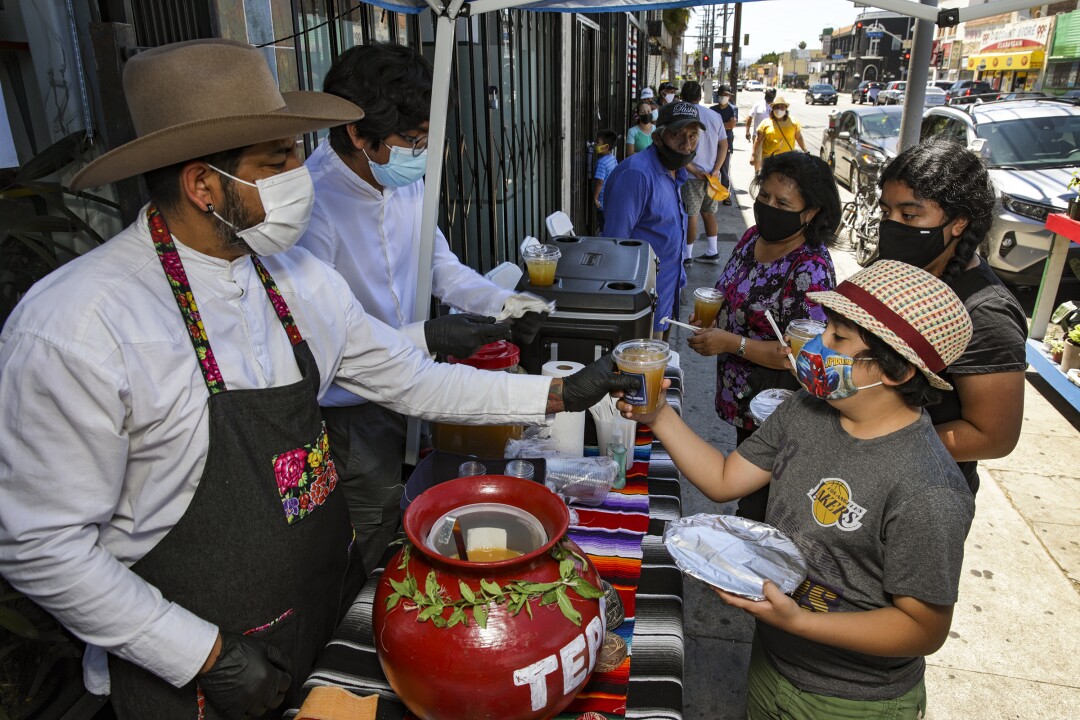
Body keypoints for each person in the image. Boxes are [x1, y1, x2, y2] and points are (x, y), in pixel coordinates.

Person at [0, 39, 636, 720]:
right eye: (277, 161)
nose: (301, 174)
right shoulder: (77, 326)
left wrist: (557, 393)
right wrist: (202, 655)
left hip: (321, 618)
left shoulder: (296, 279)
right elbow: (40, 545)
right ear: (203, 184)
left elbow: (408, 378)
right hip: (195, 672)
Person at [620, 260, 975, 720]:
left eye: (838, 338)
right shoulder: (805, 411)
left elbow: (923, 628)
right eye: (826, 328)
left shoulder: (927, 488)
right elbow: (726, 479)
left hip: (852, 701)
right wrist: (659, 417)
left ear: (897, 371)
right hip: (773, 661)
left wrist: (801, 621)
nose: (814, 344)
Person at [298, 44, 552, 573]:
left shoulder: (407, 180)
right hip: (348, 408)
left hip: (416, 379)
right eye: (411, 141)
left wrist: (503, 302)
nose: (422, 152)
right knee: (369, 522)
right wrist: (429, 336)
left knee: (421, 500)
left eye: (427, 138)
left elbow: (440, 265)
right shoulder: (312, 208)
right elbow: (325, 347)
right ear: (356, 134)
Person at [687, 152, 839, 520]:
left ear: (811, 212)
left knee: (761, 508)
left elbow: (801, 356)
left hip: (778, 411)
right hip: (744, 403)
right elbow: (732, 291)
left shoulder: (811, 270)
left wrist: (732, 342)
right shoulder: (753, 237)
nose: (769, 207)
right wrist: (712, 316)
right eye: (765, 196)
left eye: (783, 202)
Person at [876, 138, 1026, 495]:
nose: (892, 225)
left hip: (922, 491)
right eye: (886, 212)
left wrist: (881, 442)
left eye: (909, 215)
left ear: (959, 222)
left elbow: (994, 435)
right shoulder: (900, 271)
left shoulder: (986, 313)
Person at [604, 101, 704, 341]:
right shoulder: (636, 174)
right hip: (640, 307)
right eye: (677, 135)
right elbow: (614, 244)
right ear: (658, 138)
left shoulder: (675, 172)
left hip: (665, 296)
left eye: (693, 136)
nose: (686, 144)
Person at [677, 81, 728, 266]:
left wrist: (694, 170)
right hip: (712, 177)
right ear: (700, 96)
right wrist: (716, 169)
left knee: (692, 215)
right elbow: (724, 145)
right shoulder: (714, 116)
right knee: (709, 213)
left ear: (682, 96)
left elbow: (681, 149)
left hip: (691, 177)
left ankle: (687, 256)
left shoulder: (682, 115)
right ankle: (712, 252)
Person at [752, 95, 807, 174]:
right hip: (769, 159)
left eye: (782, 107)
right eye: (777, 107)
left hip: (788, 159)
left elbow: (798, 137)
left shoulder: (793, 122)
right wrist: (753, 155)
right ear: (773, 109)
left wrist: (805, 150)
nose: (779, 109)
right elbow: (758, 140)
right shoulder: (765, 123)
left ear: (786, 109)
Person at [710, 84, 738, 206]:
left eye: (727, 95)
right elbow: (710, 127)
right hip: (712, 144)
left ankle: (726, 195)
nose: (724, 97)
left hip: (726, 144)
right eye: (722, 94)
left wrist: (720, 126)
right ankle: (711, 193)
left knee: (724, 171)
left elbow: (731, 125)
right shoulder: (712, 110)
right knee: (712, 170)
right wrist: (724, 125)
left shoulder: (733, 109)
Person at [592, 128, 619, 232]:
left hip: (602, 201)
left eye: (597, 142)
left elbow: (599, 181)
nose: (595, 144)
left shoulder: (602, 163)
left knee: (603, 226)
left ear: (606, 147)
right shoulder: (612, 158)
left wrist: (595, 197)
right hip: (611, 198)